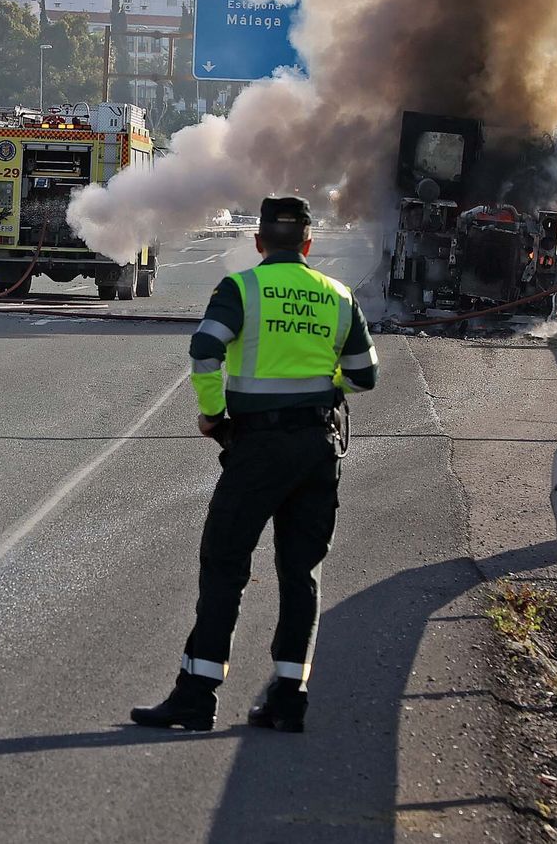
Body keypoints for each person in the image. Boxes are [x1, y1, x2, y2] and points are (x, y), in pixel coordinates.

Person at [131, 196, 377, 734]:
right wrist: (319, 388)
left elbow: (205, 351)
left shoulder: (241, 289)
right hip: (318, 448)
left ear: (260, 242)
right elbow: (363, 376)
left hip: (256, 450)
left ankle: (198, 694)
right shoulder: (338, 296)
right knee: (301, 572)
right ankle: (289, 698)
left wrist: (213, 416)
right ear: (308, 245)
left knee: (225, 563)